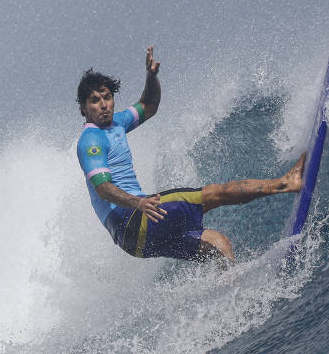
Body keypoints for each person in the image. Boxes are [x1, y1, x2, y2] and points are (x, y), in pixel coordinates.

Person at [76, 46, 305, 262]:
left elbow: (149, 105)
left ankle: (236, 291)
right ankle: (285, 184)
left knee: (217, 244)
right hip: (132, 220)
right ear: (84, 108)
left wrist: (151, 76)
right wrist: (139, 203)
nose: (103, 104)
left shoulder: (117, 122)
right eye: (95, 101)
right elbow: (103, 188)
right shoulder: (90, 141)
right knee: (215, 194)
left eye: (107, 97)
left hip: (135, 242)